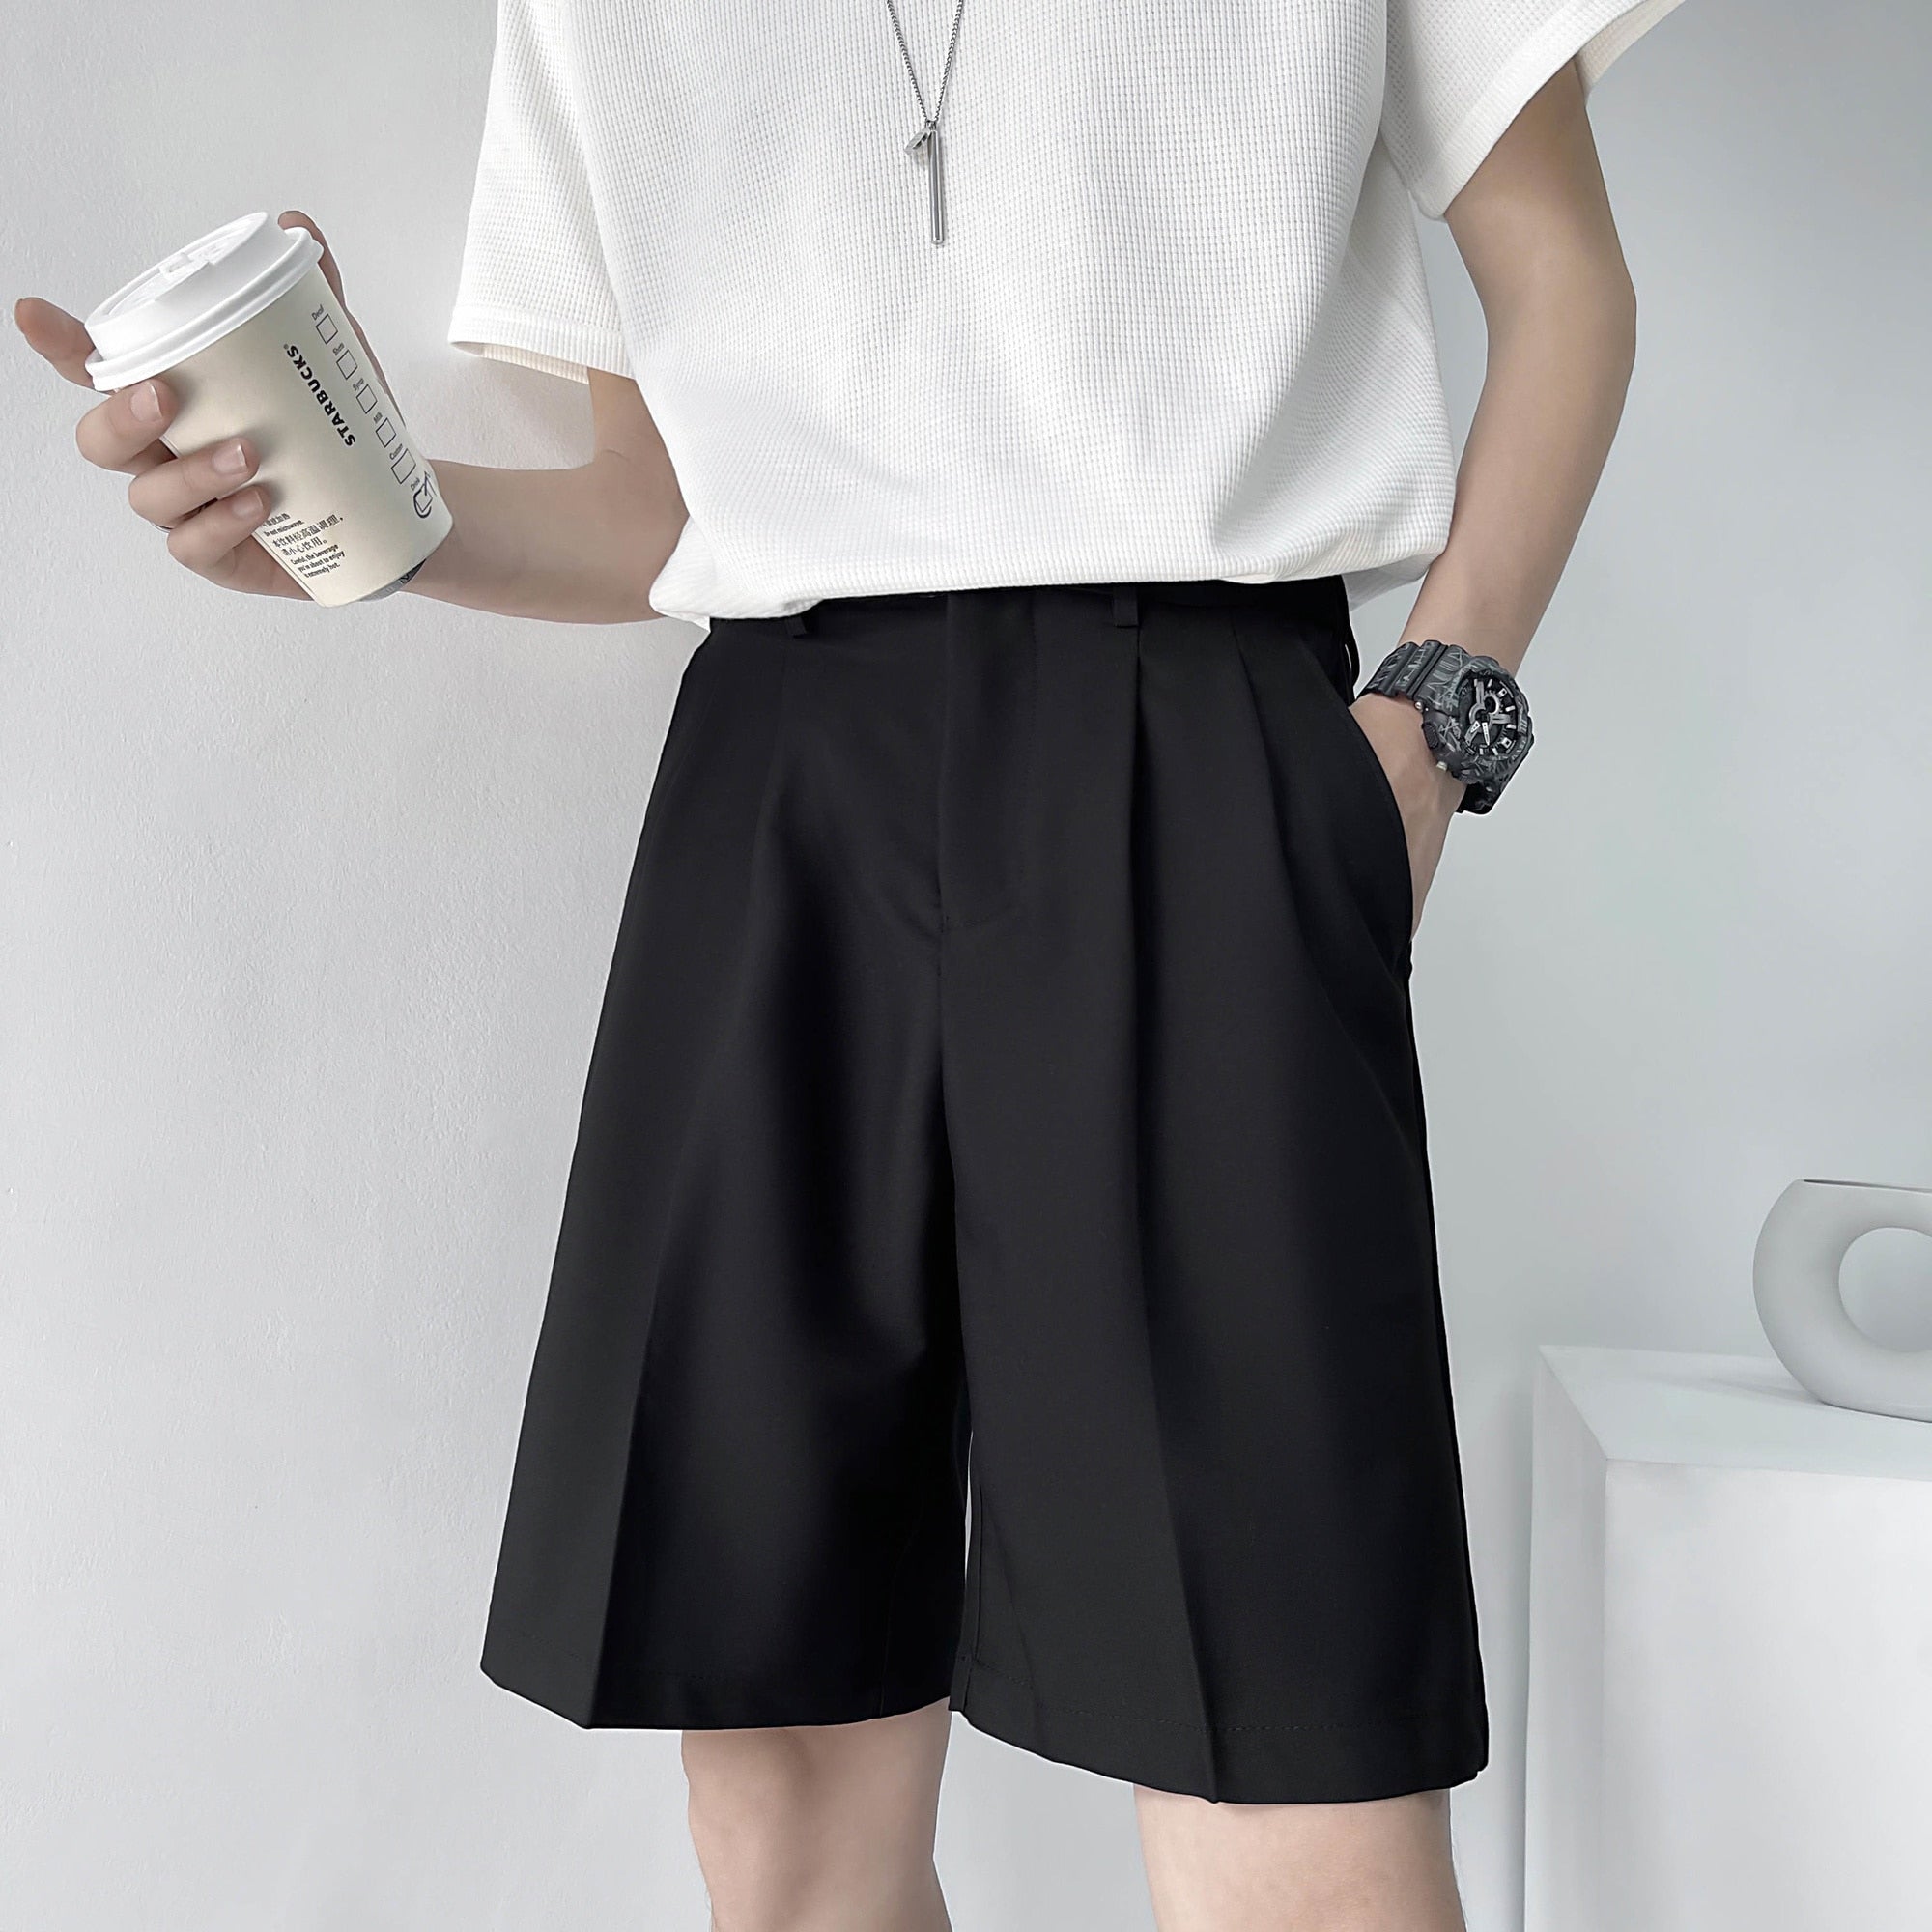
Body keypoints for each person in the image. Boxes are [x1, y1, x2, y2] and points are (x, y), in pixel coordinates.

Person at [17, 0, 1681, 1922]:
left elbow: (1566, 286)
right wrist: (341, 517)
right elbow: (656, 510)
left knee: (1288, 1771)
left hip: (1197, 740)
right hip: (779, 782)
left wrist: (1435, 721)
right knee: (786, 1797)